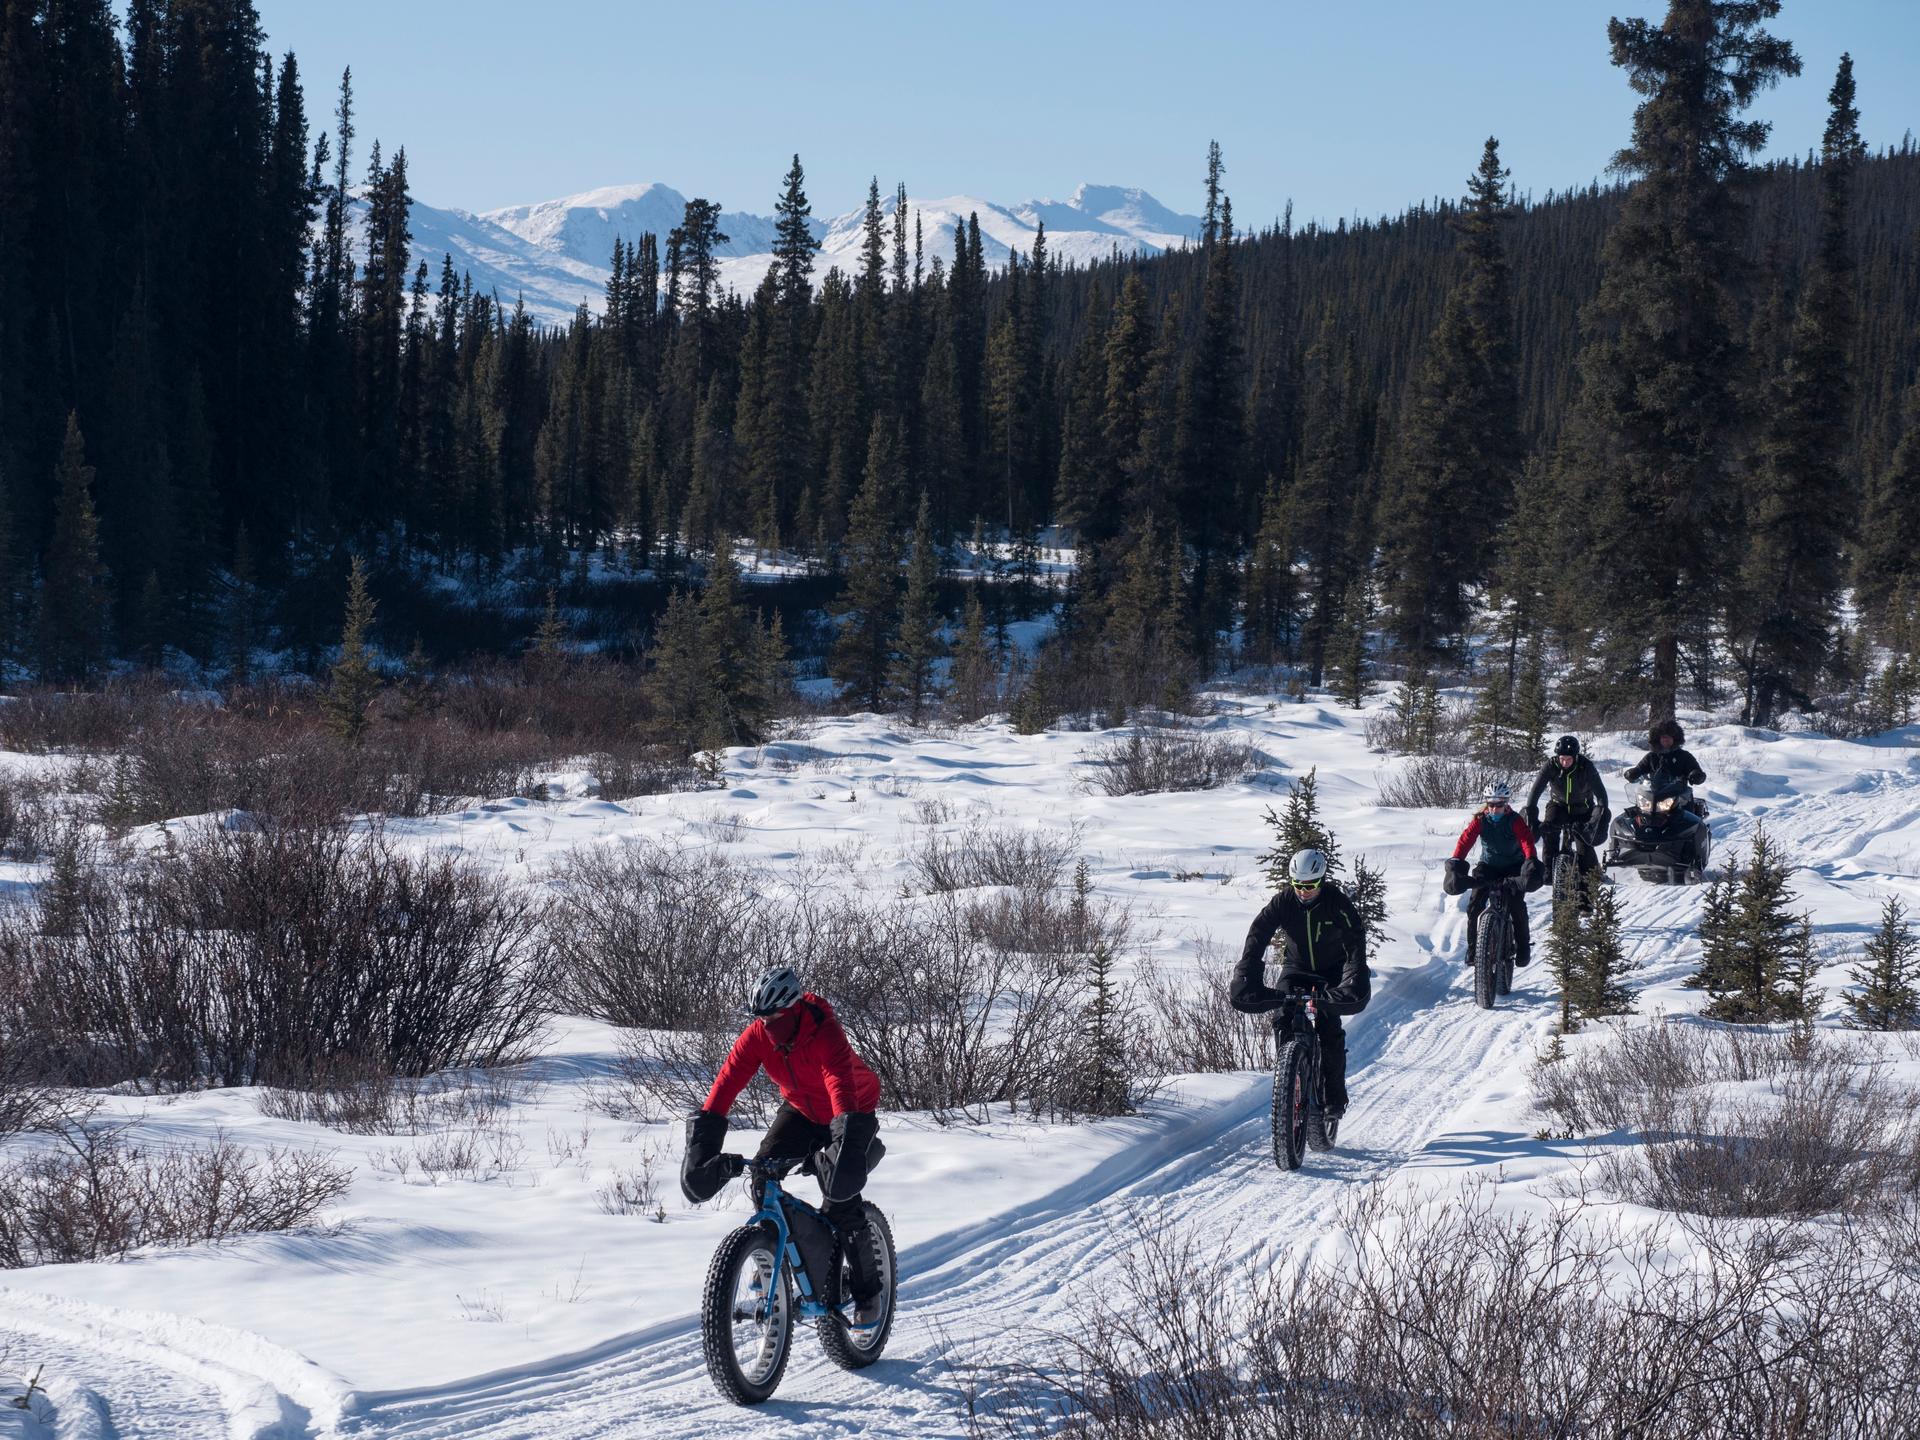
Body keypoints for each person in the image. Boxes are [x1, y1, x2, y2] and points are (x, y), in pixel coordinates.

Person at [680, 965, 886, 1334]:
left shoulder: (823, 1030)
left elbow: (839, 1080)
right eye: (761, 1017)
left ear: (792, 1009)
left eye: (774, 1016)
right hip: (802, 1110)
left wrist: (843, 1140)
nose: (767, 1024)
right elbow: (727, 1083)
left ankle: (868, 1293)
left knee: (841, 1200)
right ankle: (772, 1257)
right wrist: (705, 1137)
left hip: (852, 1108)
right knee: (762, 1174)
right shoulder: (758, 1036)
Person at [1230, 849, 1371, 1118]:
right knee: (1283, 1016)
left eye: (1310, 885)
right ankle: (1288, 1075)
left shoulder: (1336, 902)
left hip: (1331, 971)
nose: (1304, 891)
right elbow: (1259, 932)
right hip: (1296, 968)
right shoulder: (1283, 901)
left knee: (1329, 1028)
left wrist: (1353, 976)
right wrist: (1247, 970)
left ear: (1321, 880)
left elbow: (1355, 941)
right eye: (1298, 885)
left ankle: (1334, 1099)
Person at [1447, 780, 1540, 968]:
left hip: (1514, 867)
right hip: (1488, 866)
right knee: (1474, 906)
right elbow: (1465, 841)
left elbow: (1526, 841)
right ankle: (1474, 950)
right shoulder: (1481, 820)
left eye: (1499, 805)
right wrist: (1456, 861)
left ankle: (1523, 948)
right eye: (1491, 804)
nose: (1494, 809)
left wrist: (1530, 862)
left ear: (1506, 803)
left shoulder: (1515, 820)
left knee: (1516, 905)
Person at [1524, 735, 1609, 902]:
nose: (1564, 762)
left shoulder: (1586, 766)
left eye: (1568, 759)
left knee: (1584, 845)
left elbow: (1601, 796)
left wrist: (1597, 817)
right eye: (1562, 759)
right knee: (1550, 832)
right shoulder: (1551, 765)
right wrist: (1532, 817)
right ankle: (1549, 873)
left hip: (1583, 809)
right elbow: (1534, 794)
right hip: (1558, 806)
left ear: (1575, 757)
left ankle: (1589, 888)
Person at [1624, 718, 1706, 789]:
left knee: (1687, 806)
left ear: (1675, 738)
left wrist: (1697, 776)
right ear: (1657, 739)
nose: (1666, 739)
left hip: (1678, 794)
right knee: (1639, 806)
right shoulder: (1651, 756)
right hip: (1654, 792)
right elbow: (1640, 768)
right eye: (1663, 736)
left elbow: (1695, 770)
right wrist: (1632, 773)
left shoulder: (1684, 756)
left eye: (1669, 736)